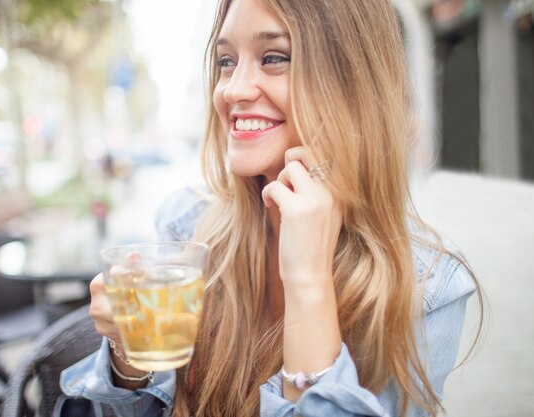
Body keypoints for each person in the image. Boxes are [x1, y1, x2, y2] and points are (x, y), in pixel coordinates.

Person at [60, 0, 482, 416]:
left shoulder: (428, 288)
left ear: (354, 83)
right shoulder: (187, 224)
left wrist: (308, 281)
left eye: (274, 57)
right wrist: (128, 352)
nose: (233, 90)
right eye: (226, 61)